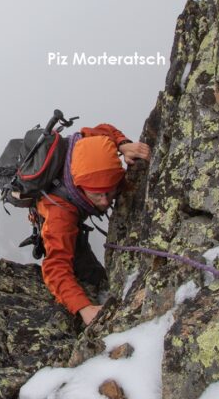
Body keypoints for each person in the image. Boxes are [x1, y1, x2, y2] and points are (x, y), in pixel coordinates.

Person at [36, 124, 151, 325]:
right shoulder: (60, 214)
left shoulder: (91, 144)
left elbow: (105, 130)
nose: (105, 201)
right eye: (96, 194)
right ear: (80, 188)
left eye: (109, 191)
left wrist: (124, 145)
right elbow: (56, 265)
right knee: (87, 271)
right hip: (56, 214)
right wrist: (83, 307)